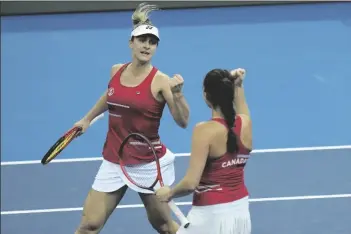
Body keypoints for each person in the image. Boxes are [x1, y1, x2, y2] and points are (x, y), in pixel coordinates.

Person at [73, 3, 190, 234]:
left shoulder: (161, 81)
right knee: (89, 225)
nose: (147, 46)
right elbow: (111, 96)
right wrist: (87, 119)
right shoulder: (116, 70)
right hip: (114, 159)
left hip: (148, 163)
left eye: (152, 42)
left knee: (165, 226)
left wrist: (178, 95)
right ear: (131, 42)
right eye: (142, 40)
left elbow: (183, 121)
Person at [156, 68, 253, 234]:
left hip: (210, 217)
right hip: (241, 214)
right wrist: (238, 85)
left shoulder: (204, 131)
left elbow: (190, 183)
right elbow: (241, 104)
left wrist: (169, 193)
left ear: (206, 96)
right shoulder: (245, 123)